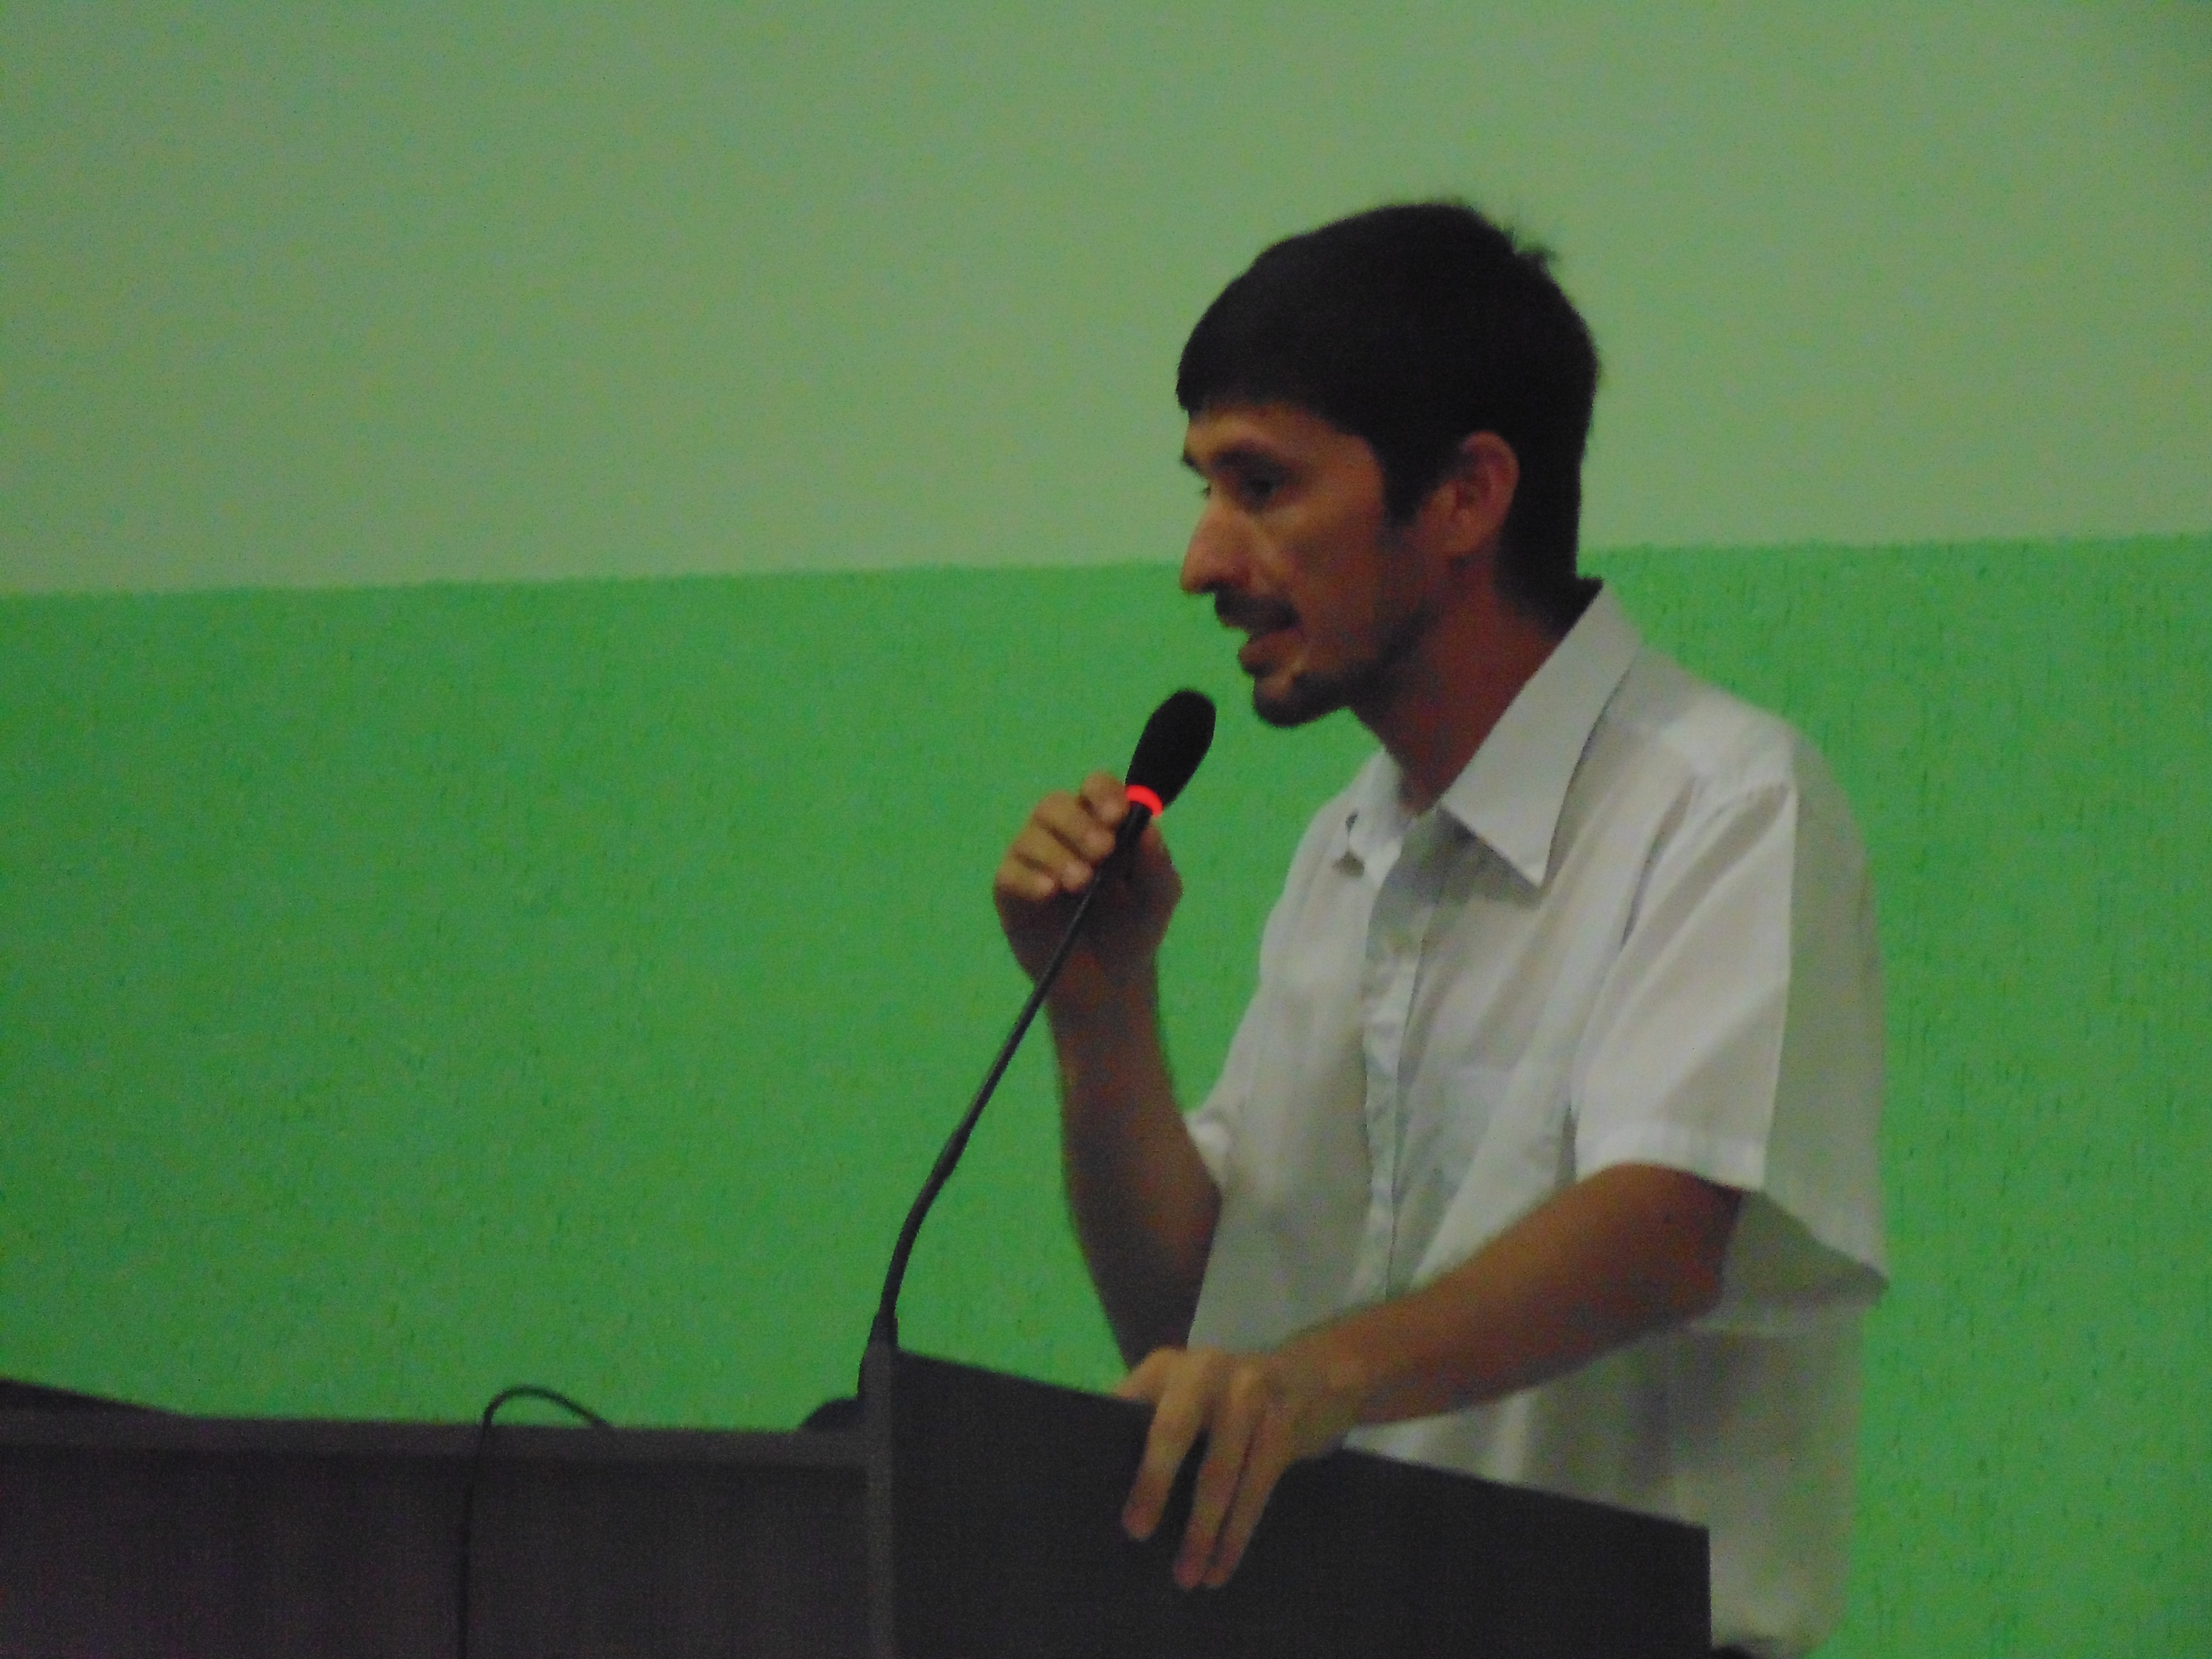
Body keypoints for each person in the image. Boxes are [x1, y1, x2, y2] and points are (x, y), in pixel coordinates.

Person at [992, 202, 1885, 1658]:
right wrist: (1103, 1016)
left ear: (1466, 496)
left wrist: (1312, 1380)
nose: (1201, 561)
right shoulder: (1346, 848)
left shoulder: (1721, 802)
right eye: (1203, 490)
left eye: (1260, 486)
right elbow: (1194, 1320)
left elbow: (1666, 1228)